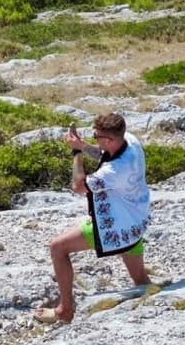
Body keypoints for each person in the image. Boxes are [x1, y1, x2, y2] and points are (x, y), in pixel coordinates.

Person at [35, 112, 152, 326]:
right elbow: (104, 154)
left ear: (109, 140)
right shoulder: (130, 141)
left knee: (58, 248)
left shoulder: (114, 171)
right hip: (135, 221)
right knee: (141, 280)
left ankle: (65, 310)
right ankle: (151, 297)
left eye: (96, 136)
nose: (94, 139)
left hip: (115, 226)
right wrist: (83, 145)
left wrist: (76, 153)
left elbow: (79, 186)